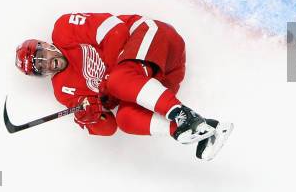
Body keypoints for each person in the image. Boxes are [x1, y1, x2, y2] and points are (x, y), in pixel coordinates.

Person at [14, 12, 232, 161]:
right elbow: (109, 128)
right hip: (163, 75)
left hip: (154, 37)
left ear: (46, 45)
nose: (45, 63)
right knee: (126, 119)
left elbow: (114, 29)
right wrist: (91, 118)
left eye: (41, 56)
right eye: (39, 68)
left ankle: (186, 115)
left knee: (118, 80)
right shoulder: (63, 91)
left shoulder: (64, 29)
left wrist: (108, 81)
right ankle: (204, 130)